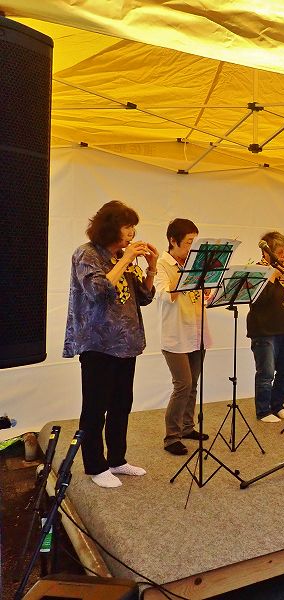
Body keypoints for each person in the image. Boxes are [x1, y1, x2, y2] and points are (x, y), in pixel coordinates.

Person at [63, 201, 157, 488]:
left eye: (133, 227)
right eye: (127, 226)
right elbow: (98, 291)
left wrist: (152, 268)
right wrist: (126, 259)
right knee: (95, 406)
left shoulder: (121, 257)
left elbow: (144, 297)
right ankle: (95, 465)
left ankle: (117, 459)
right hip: (98, 343)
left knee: (121, 404)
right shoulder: (87, 253)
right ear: (110, 227)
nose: (132, 233)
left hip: (126, 343)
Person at [155, 218, 211, 456]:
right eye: (189, 242)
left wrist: (206, 287)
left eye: (194, 242)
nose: (192, 248)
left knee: (193, 384)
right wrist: (187, 277)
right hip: (175, 334)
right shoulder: (162, 264)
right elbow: (163, 294)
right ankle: (171, 437)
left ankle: (187, 427)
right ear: (173, 240)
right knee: (183, 384)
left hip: (196, 330)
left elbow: (202, 295)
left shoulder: (193, 263)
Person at [247, 231, 284, 423]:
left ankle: (277, 405)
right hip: (264, 329)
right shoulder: (257, 270)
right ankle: (263, 410)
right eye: (279, 252)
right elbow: (257, 300)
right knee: (266, 373)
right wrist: (273, 276)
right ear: (266, 253)